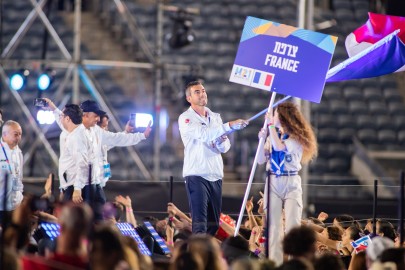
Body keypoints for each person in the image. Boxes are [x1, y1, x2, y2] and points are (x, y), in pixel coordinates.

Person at [178, 81, 248, 235]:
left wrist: (221, 140)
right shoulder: (186, 118)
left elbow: (225, 147)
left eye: (203, 90)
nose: (202, 93)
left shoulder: (215, 117)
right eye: (197, 92)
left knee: (213, 225)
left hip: (215, 174)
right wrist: (229, 126)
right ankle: (198, 257)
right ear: (189, 98)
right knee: (200, 224)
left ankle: (208, 255)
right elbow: (204, 135)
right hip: (197, 174)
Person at [258, 101, 318, 266]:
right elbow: (260, 161)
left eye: (275, 114)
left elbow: (280, 146)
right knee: (274, 227)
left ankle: (295, 264)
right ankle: (274, 263)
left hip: (291, 181)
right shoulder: (271, 135)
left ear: (283, 117)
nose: (273, 116)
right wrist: (262, 139)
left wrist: (270, 127)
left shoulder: (296, 138)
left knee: (292, 225)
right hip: (273, 181)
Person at [0, 120, 24, 224]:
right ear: (5, 134)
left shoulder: (19, 152)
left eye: (20, 134)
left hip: (15, 205)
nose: (18, 137)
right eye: (16, 134)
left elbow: (20, 177)